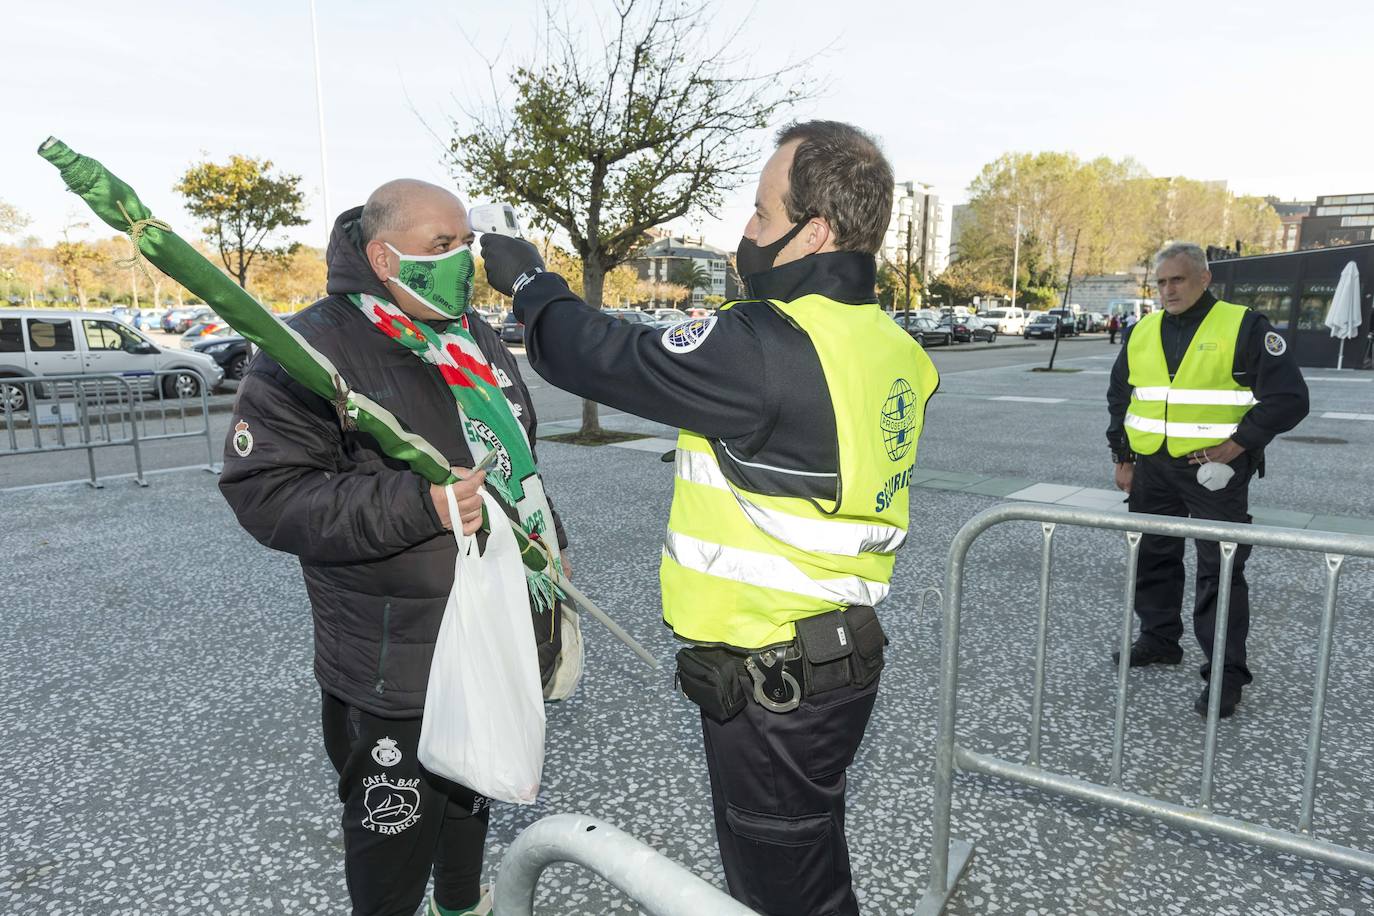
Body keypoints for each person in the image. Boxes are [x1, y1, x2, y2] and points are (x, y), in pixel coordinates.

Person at [480, 120, 939, 916]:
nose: (745, 234)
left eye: (762, 215)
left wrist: (531, 286)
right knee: (809, 862)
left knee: (780, 893)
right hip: (832, 657)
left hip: (778, 686)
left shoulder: (770, 346)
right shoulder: (891, 345)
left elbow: (598, 353)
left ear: (816, 232)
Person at [219, 179, 571, 916]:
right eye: (441, 248)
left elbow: (510, 459)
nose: (463, 263)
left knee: (470, 803)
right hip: (397, 663)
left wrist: (550, 544)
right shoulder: (309, 347)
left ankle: (460, 903)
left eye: (466, 245)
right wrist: (421, 506)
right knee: (392, 838)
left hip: (492, 632)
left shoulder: (470, 332)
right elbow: (267, 493)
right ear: (384, 257)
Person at [1107, 242, 1309, 718]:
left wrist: (1240, 443)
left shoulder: (1244, 326)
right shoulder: (1142, 331)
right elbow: (1121, 397)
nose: (1168, 290)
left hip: (1213, 471)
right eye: (1160, 282)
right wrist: (1124, 456)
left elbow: (1289, 398)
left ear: (1204, 279)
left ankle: (1224, 675)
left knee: (1219, 571)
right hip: (1152, 468)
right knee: (1153, 557)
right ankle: (1159, 640)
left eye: (1177, 280)